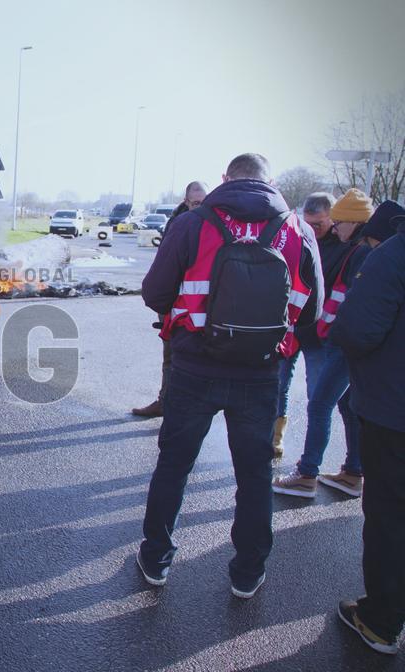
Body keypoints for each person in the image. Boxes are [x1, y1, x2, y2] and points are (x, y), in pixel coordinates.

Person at [137, 153, 322, 598]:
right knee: (254, 474)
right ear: (270, 181)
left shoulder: (193, 223)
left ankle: (157, 557)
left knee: (174, 465)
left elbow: (155, 293)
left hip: (194, 367)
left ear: (225, 179)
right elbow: (313, 312)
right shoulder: (299, 230)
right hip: (261, 372)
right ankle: (248, 570)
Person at [271, 194, 402, 498]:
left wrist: (343, 337)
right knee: (346, 405)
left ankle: (307, 474)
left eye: (339, 221)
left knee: (320, 404)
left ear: (355, 222)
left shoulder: (366, 254)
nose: (335, 227)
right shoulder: (365, 250)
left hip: (342, 343)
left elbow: (359, 306)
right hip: (341, 341)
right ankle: (353, 472)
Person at [329, 210, 405, 656]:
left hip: (394, 414)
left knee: (390, 517)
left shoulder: (394, 254)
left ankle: (379, 621)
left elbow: (356, 330)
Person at [272, 193, 352, 458]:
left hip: (320, 335)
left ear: (332, 218)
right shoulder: (297, 236)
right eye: (308, 223)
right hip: (290, 327)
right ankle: (275, 439)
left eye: (318, 224)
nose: (313, 229)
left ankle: (310, 459)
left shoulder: (344, 247)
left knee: (318, 398)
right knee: (278, 385)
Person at [132, 180, 208, 418]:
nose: (200, 207)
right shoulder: (178, 224)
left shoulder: (214, 224)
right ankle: (165, 402)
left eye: (204, 202)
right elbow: (164, 267)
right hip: (175, 302)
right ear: (186, 202)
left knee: (199, 362)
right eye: (196, 203)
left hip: (202, 304)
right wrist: (162, 305)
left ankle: (189, 410)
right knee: (171, 357)